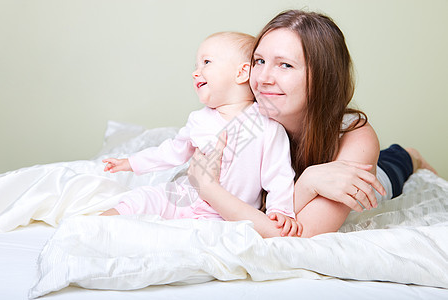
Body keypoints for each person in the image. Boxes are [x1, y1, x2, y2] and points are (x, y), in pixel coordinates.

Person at [186, 10, 438, 238]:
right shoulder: (241, 118)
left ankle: (409, 156)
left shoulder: (355, 137)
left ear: (321, 78)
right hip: (315, 174)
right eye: (259, 61)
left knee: (393, 165)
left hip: (370, 172)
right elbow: (257, 207)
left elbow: (299, 234)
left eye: (285, 65)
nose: (262, 78)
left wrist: (209, 188)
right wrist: (308, 185)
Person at [100, 32, 299, 232]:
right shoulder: (199, 119)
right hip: (181, 198)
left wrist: (281, 211)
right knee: (143, 198)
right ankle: (90, 227)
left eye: (206, 62)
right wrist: (131, 162)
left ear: (241, 72)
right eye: (196, 66)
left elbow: (279, 175)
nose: (196, 72)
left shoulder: (268, 127)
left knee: (206, 238)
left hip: (226, 216)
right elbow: (171, 151)